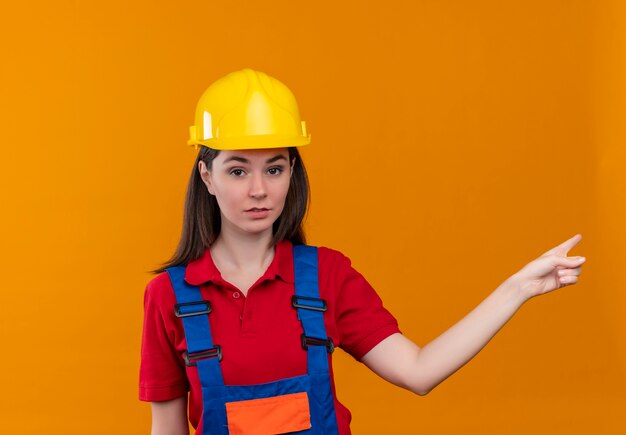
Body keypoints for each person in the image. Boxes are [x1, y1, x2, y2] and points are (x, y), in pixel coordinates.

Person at [139, 68, 586, 435]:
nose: (259, 190)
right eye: (237, 170)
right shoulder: (170, 296)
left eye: (274, 168)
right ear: (207, 176)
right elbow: (168, 429)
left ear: (292, 171)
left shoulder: (326, 276)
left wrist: (518, 288)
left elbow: (419, 371)